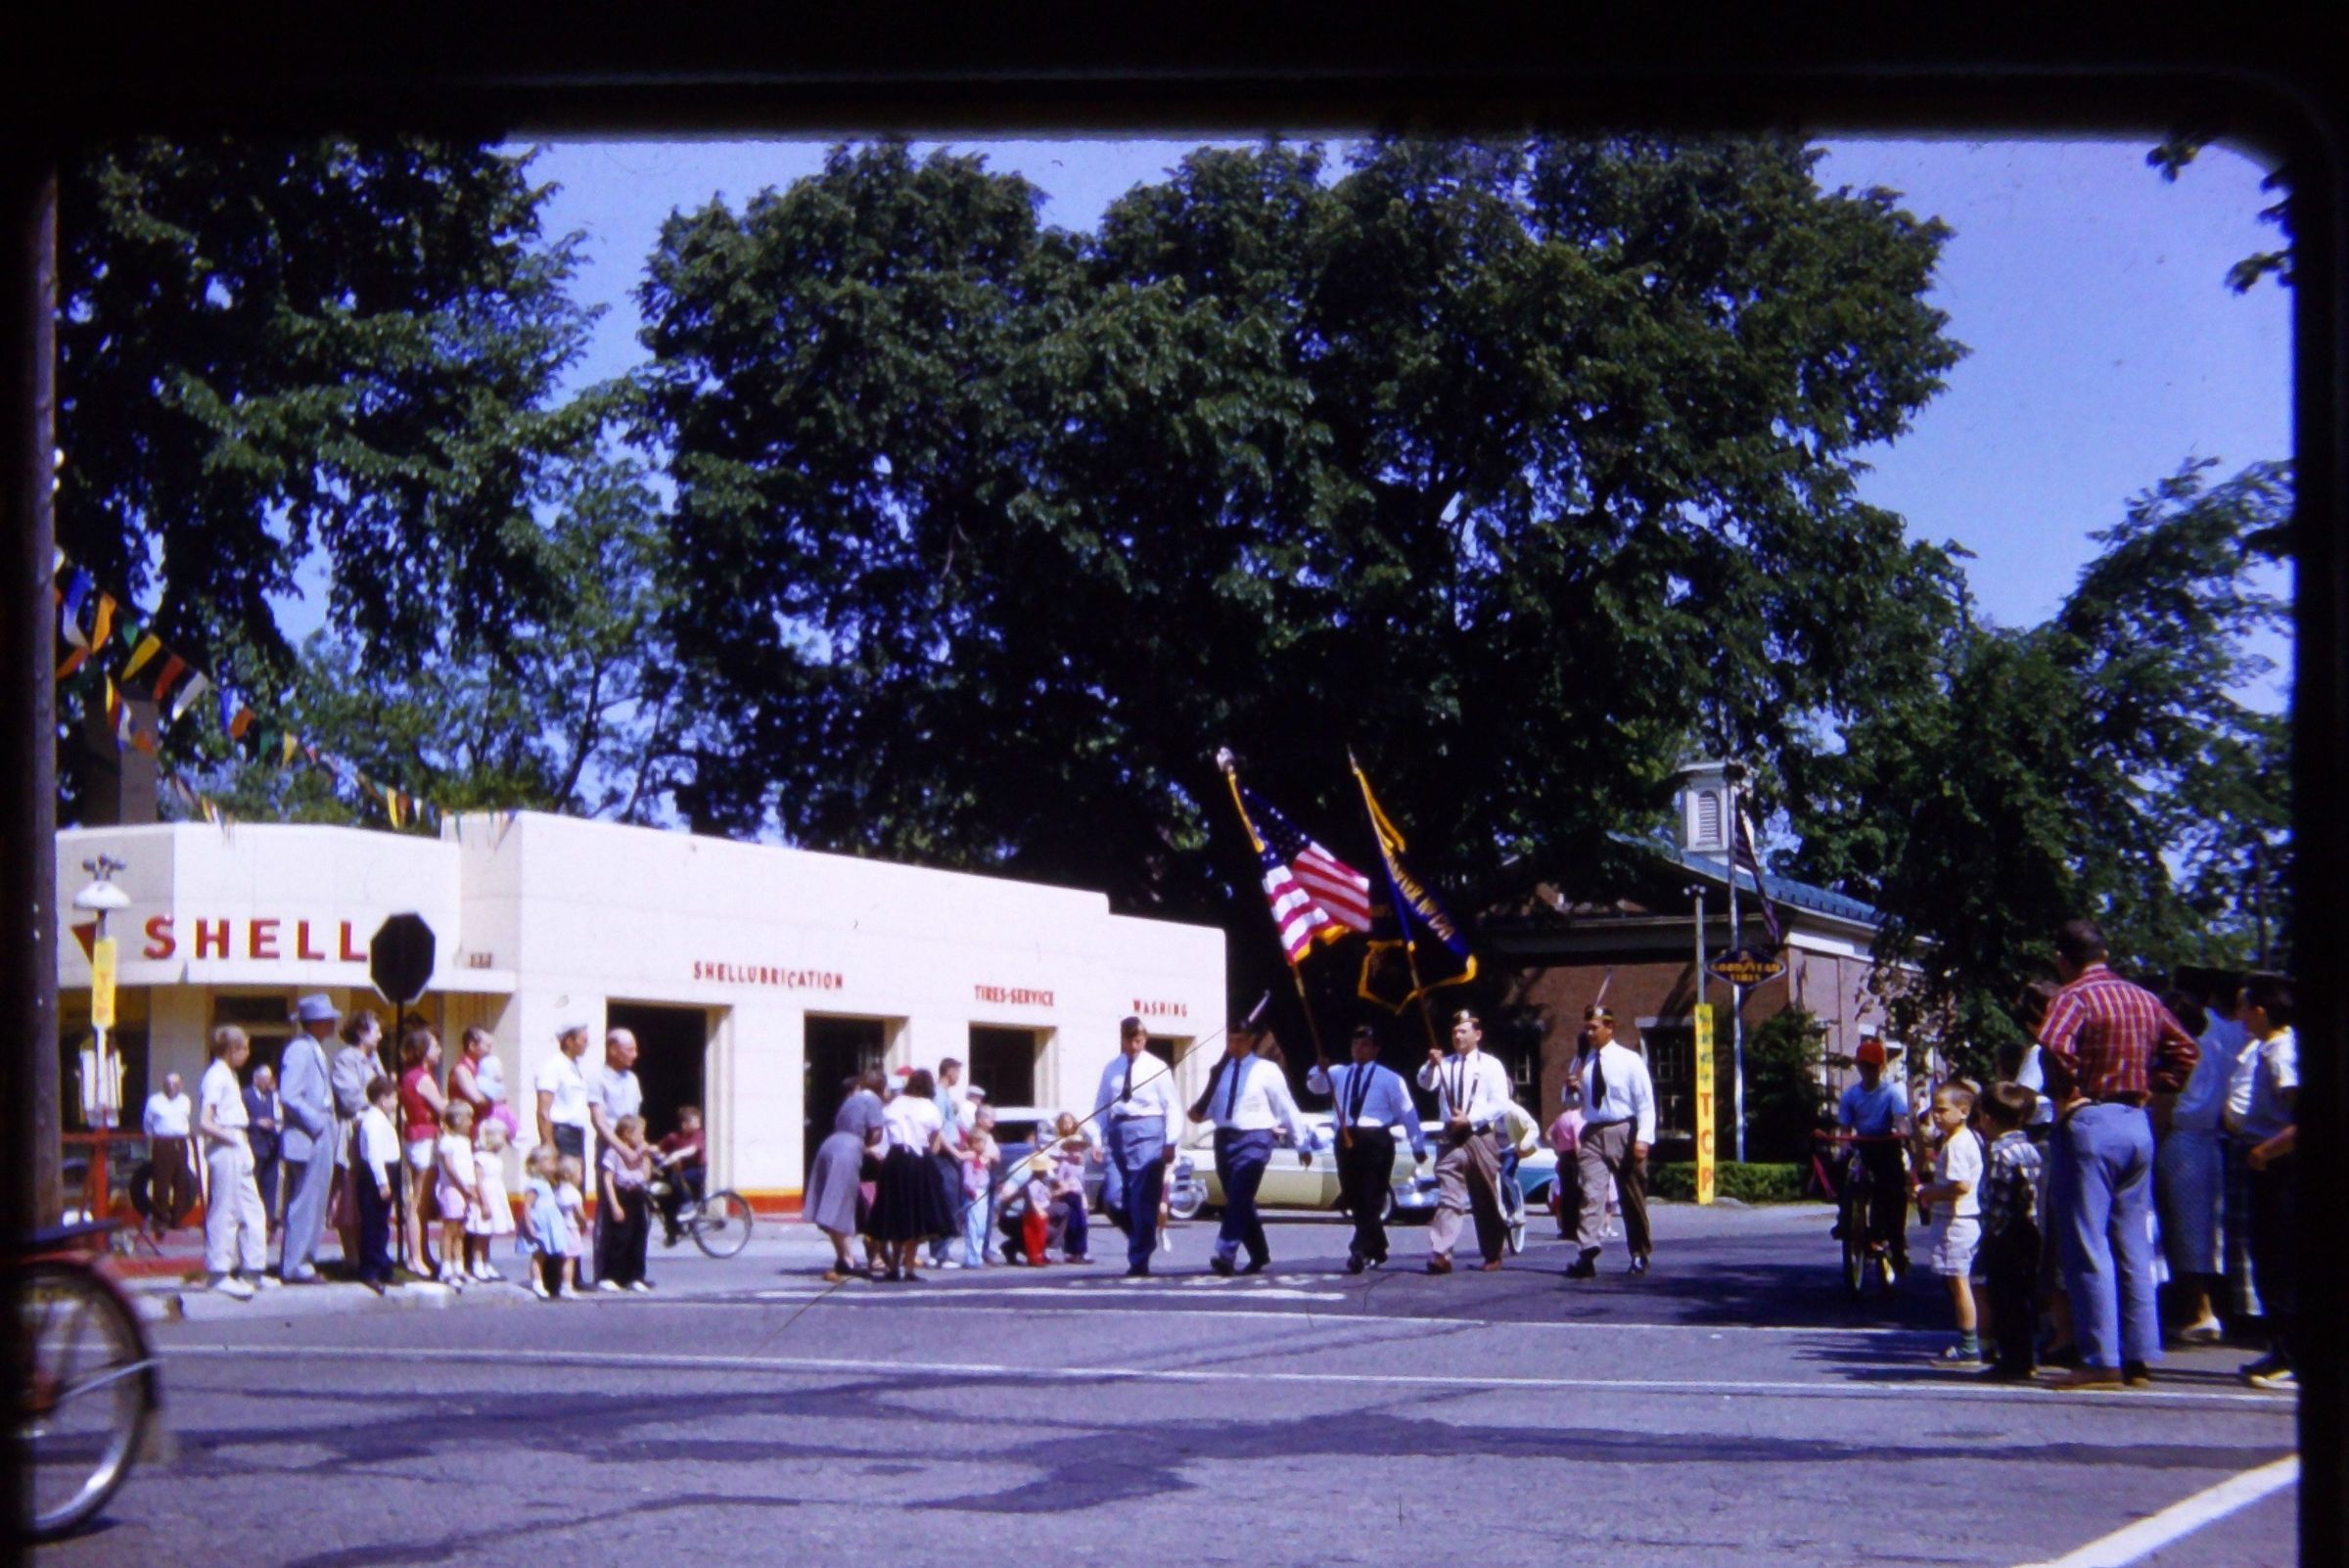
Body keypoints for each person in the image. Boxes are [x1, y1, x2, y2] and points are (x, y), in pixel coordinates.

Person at [2035, 918, 2199, 1390]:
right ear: (2104, 953)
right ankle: (2139, 1355)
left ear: (2063, 959)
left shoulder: (2073, 997)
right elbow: (2186, 1050)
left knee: (2088, 1243)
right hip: (2136, 1121)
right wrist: (2152, 1084)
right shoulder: (2145, 998)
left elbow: (2053, 1045)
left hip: (2092, 1120)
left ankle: (2101, 1357)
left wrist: (2068, 1093)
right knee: (2133, 1243)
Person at [1188, 1029, 1312, 1277]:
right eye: (1230, 1040)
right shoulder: (1221, 1070)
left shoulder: (1266, 1070)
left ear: (1251, 1040)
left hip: (1256, 1137)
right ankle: (1259, 1253)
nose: (1234, 1045)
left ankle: (1225, 1252)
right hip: (1225, 1138)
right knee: (1238, 1199)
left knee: (1241, 1192)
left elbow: (1286, 1106)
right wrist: (1198, 1112)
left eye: (1240, 1040)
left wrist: (1302, 1143)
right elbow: (1212, 1107)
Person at [1307, 1024, 1430, 1273]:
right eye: (1355, 1044)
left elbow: (1407, 1112)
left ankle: (1359, 1250)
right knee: (1352, 1195)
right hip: (1346, 1137)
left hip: (1374, 1140)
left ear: (1375, 1049)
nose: (1359, 1049)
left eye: (1365, 1045)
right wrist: (1319, 1070)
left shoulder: (1389, 1078)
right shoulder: (1339, 1073)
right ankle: (1378, 1244)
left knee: (1371, 1195)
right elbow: (1315, 1086)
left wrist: (1417, 1143)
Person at [2229, 974, 2296, 1391]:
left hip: (2278, 1166)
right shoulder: (2269, 1048)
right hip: (2267, 1163)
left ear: (2261, 1010)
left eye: (2246, 1008)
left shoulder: (2281, 1053)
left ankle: (2291, 1354)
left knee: (2279, 1258)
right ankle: (2280, 1347)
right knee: (2267, 1258)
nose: (2241, 1017)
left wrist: (2265, 1152)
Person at [2153, 988, 2228, 1345]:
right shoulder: (2213, 1049)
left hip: (2181, 1140)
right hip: (2207, 1141)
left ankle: (2200, 1309)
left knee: (2183, 1227)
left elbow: (2165, 1106)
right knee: (2200, 1228)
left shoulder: (2180, 1055)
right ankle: (2199, 1307)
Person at [1415, 1009, 1514, 1275]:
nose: (1457, 1036)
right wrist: (1430, 1065)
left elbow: (1500, 1103)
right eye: (1454, 1032)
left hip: (1479, 1135)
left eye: (1463, 1031)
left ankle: (1492, 1251)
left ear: (1477, 1035)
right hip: (1450, 1138)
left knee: (1485, 1197)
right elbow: (1425, 1083)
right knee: (1449, 1194)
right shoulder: (1445, 1064)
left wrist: (1470, 1119)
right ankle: (1441, 1252)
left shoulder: (1491, 1065)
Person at [1566, 1006, 1656, 1278]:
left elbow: (1645, 1103)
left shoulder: (1629, 1061)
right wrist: (1572, 1089)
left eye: (1594, 1028)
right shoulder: (1583, 1061)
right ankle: (1587, 1251)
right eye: (1587, 1028)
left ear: (1610, 1027)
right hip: (1592, 1132)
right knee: (1590, 1193)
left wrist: (1643, 1138)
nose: (1589, 1033)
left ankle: (1639, 1253)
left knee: (1632, 1197)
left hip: (1623, 1131)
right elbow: (1570, 1101)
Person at [1090, 1015, 1180, 1277]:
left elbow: (1172, 1107)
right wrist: (1097, 1139)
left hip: (1149, 1130)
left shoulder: (1157, 1067)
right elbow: (1101, 1106)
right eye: (1129, 1041)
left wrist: (1171, 1140)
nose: (1133, 1046)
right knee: (1113, 1198)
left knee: (1142, 1198)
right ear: (1122, 1039)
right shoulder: (1112, 1068)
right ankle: (1143, 1235)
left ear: (1145, 1039)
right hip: (1118, 1131)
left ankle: (1139, 1259)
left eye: (1138, 1041)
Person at [197, 1028, 272, 1297]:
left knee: (253, 1209)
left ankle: (253, 1269)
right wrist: (230, 1137)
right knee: (225, 1210)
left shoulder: (229, 1075)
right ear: (232, 1049)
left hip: (239, 1143)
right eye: (244, 1048)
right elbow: (205, 1120)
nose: (247, 1054)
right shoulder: (216, 1076)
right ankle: (219, 1272)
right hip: (227, 1144)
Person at [1976, 1083, 2045, 1381]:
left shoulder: (1999, 1153)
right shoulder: (2031, 1149)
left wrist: (1990, 1231)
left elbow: (1999, 1197)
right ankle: (2026, 1356)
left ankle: (2012, 1360)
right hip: (2030, 1229)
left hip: (2006, 1233)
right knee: (2023, 1295)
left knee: (2004, 1298)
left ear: (1988, 1118)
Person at [1914, 1083, 1985, 1365]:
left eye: (1943, 1110)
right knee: (1963, 1282)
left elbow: (1960, 1186)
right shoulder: (1966, 1139)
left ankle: (1969, 1346)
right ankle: (1980, 1340)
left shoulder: (1956, 1145)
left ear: (1964, 1111)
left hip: (1956, 1222)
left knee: (1958, 1283)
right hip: (1965, 1220)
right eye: (1934, 1110)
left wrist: (1929, 1192)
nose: (1936, 1116)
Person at [1834, 1037, 1912, 1278]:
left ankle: (1895, 1239)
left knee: (1894, 1190)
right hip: (1863, 1145)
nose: (1868, 1071)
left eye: (1872, 1066)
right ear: (1858, 1067)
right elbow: (1845, 1129)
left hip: (1886, 1144)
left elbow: (1900, 1120)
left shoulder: (1891, 1093)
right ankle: (1845, 1218)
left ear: (1881, 1068)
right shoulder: (1851, 1095)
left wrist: (1903, 1132)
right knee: (1841, 1170)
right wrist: (1844, 1146)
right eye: (1864, 1066)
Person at [276, 993, 340, 1282]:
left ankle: (305, 1259)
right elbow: (289, 1094)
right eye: (328, 1019)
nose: (332, 1024)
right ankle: (296, 1263)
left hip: (319, 1131)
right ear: (316, 1022)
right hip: (308, 1134)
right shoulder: (299, 1050)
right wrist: (316, 1122)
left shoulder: (314, 1048)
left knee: (315, 1200)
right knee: (305, 1200)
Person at [805, 1069, 888, 1281]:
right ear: (880, 1086)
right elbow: (876, 1133)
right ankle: (848, 1260)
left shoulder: (852, 1099)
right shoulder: (873, 1101)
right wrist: (869, 1146)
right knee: (842, 1206)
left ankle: (842, 1257)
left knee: (832, 1205)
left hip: (831, 1144)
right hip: (849, 1150)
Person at [871, 1068, 953, 1280]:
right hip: (919, 1161)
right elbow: (934, 1141)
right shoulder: (929, 1107)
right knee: (917, 1215)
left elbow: (884, 1133)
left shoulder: (894, 1104)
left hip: (895, 1160)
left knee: (896, 1212)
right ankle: (909, 1267)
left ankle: (893, 1266)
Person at [328, 1008, 386, 1269]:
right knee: (349, 1193)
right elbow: (350, 1098)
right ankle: (351, 1255)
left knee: (372, 1190)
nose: (380, 1036)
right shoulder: (346, 1059)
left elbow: (385, 1090)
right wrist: (379, 1101)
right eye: (376, 1030)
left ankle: (369, 1251)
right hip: (353, 1133)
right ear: (362, 1032)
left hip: (375, 1131)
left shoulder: (374, 1059)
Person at [588, 1028, 646, 1286]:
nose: (635, 1054)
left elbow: (636, 1118)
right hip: (611, 1146)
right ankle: (606, 1273)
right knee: (612, 1212)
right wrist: (620, 1148)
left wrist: (641, 1149)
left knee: (637, 1216)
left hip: (632, 1147)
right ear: (613, 1050)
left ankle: (633, 1274)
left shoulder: (632, 1080)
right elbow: (599, 1120)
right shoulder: (598, 1078)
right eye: (629, 1049)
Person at [397, 1028, 448, 1275]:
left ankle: (423, 1253)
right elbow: (441, 1107)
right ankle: (415, 1257)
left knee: (423, 1202)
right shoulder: (423, 1079)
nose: (439, 1050)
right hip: (424, 1138)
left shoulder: (411, 1076)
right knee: (419, 1200)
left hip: (416, 1136)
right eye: (435, 1046)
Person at [597, 1113, 656, 1292]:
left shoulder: (642, 1155)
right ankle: (611, 1275)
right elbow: (608, 1179)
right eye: (640, 1133)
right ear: (627, 1134)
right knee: (619, 1238)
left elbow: (646, 1175)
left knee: (638, 1236)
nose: (643, 1137)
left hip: (637, 1195)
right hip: (621, 1195)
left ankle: (635, 1276)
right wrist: (614, 1205)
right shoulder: (614, 1153)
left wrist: (645, 1156)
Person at [353, 1074, 400, 1293]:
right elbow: (374, 1155)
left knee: (381, 1225)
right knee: (373, 1225)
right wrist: (382, 1182)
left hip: (388, 1170)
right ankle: (370, 1270)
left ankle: (382, 1266)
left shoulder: (381, 1119)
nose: (396, 1102)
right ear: (382, 1099)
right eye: (393, 1098)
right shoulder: (372, 1122)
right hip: (376, 1175)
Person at [432, 1100, 482, 1289]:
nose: (471, 1123)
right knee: (450, 1229)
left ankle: (459, 1266)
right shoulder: (447, 1141)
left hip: (466, 1189)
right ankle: (445, 1267)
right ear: (458, 1120)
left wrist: (472, 1189)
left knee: (461, 1230)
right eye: (468, 1119)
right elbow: (450, 1167)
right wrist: (462, 1187)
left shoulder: (465, 1142)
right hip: (452, 1189)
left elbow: (468, 1167)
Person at [533, 1020, 595, 1164]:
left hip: (576, 1134)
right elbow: (543, 1111)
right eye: (583, 1040)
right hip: (561, 1134)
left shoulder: (574, 1068)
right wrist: (549, 1145)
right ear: (569, 1041)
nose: (587, 1044)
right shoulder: (553, 1067)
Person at [140, 1071, 194, 1235]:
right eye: (168, 1084)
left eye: (175, 1084)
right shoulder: (154, 1101)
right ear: (163, 1085)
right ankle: (160, 1221)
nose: (171, 1087)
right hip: (163, 1142)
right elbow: (147, 1123)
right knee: (162, 1183)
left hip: (181, 1142)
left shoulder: (185, 1101)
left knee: (181, 1181)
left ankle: (177, 1219)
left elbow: (185, 1120)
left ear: (181, 1086)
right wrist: (155, 1139)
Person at [520, 1143, 575, 1300]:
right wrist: (529, 1225)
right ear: (538, 1164)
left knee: (546, 1253)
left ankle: (546, 1281)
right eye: (550, 1162)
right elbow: (527, 1206)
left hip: (549, 1224)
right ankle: (537, 1282)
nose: (554, 1166)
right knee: (538, 1255)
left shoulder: (548, 1183)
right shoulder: (535, 1184)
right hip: (539, 1224)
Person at [929, 1057, 969, 1268]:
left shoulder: (945, 1095)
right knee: (948, 1202)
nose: (959, 1077)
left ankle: (941, 1251)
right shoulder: (938, 1094)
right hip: (944, 1156)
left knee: (952, 1201)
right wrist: (956, 1153)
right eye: (958, 1072)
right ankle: (940, 1253)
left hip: (950, 1153)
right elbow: (937, 1129)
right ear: (949, 1071)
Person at [468, 1119, 517, 1280]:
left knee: (488, 1233)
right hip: (486, 1197)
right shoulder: (480, 1158)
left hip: (496, 1196)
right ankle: (477, 1264)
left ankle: (486, 1262)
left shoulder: (495, 1158)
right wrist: (484, 1203)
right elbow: (479, 1181)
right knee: (481, 1233)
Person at [653, 1105, 707, 1246]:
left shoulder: (699, 1135)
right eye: (695, 1121)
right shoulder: (673, 1137)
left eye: (698, 1121)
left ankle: (688, 1205)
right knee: (665, 1196)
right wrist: (652, 1152)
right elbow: (659, 1148)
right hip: (679, 1173)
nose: (698, 1124)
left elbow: (692, 1149)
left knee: (676, 1178)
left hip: (696, 1171)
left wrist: (677, 1154)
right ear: (684, 1124)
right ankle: (672, 1231)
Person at [242, 1064, 283, 1237]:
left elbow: (280, 1114)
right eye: (264, 1079)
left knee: (270, 1185)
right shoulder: (245, 1095)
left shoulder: (273, 1096)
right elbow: (240, 1118)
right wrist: (257, 1122)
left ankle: (269, 1221)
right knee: (253, 1184)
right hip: (254, 1145)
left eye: (269, 1079)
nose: (267, 1082)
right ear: (256, 1079)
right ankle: (250, 1220)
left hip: (272, 1146)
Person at [1047, 1111, 1093, 1264]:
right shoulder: (1065, 1162)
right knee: (1073, 1222)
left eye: (1079, 1149)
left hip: (1078, 1194)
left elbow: (1082, 1180)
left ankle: (1082, 1250)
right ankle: (1072, 1251)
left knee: (1082, 1223)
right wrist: (1063, 1186)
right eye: (1073, 1148)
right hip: (1069, 1194)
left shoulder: (1080, 1163)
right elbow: (1058, 1177)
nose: (1076, 1152)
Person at [958, 1105, 1000, 1268]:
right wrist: (972, 1190)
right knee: (974, 1225)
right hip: (975, 1192)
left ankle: (979, 1254)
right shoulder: (970, 1154)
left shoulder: (988, 1138)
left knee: (982, 1224)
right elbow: (968, 1178)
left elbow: (996, 1156)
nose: (993, 1121)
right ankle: (972, 1257)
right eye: (989, 1117)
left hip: (984, 1187)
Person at [1546, 1078, 1586, 1241]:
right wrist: (1582, 1159)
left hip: (1563, 1157)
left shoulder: (1561, 1117)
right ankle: (1578, 1228)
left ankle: (1567, 1229)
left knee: (1567, 1194)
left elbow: (1548, 1135)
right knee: (1578, 1194)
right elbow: (1577, 1141)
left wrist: (1557, 1149)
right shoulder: (1578, 1118)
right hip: (1574, 1158)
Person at [555, 1157, 589, 1294]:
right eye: (580, 1173)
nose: (581, 1177)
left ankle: (557, 1283)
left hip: (559, 1229)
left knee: (560, 1259)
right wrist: (584, 1223)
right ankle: (567, 1286)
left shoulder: (557, 1192)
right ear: (570, 1175)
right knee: (569, 1260)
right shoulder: (575, 1194)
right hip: (571, 1229)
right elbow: (579, 1214)